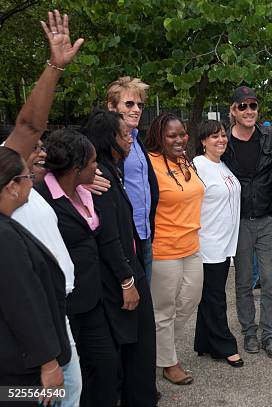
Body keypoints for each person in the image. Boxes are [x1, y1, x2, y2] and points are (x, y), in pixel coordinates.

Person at [3, 9, 83, 406]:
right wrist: (47, 358)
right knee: (34, 397)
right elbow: (16, 294)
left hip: (53, 316)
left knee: (67, 394)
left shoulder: (5, 166)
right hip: (29, 340)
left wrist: (54, 66)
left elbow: (29, 128)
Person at [36, 129, 118, 406]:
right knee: (72, 379)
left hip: (93, 299)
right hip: (63, 307)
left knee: (107, 366)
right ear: (76, 167)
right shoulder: (40, 199)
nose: (98, 167)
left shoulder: (86, 190)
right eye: (93, 162)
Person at [81, 110, 158, 405]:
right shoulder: (99, 177)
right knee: (135, 349)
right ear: (109, 139)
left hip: (130, 265)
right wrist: (127, 280)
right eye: (125, 134)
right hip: (121, 275)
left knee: (139, 345)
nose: (130, 139)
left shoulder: (113, 170)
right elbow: (109, 235)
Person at [0, 147, 69, 407]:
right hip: (19, 371)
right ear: (12, 187)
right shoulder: (5, 237)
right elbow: (22, 304)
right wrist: (49, 363)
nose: (32, 182)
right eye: (27, 177)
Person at [221, 86, 272, 359]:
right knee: (244, 280)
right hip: (239, 222)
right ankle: (249, 331)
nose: (249, 111)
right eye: (243, 106)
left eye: (253, 106)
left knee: (269, 279)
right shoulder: (223, 142)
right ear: (233, 110)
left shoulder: (270, 137)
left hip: (267, 219)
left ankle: (269, 334)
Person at [145, 112, 205, 384]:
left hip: (192, 244)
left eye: (182, 134)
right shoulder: (148, 163)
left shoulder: (185, 161)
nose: (179, 139)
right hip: (164, 248)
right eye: (172, 135)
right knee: (164, 309)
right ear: (159, 137)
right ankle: (168, 362)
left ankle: (157, 348)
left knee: (190, 300)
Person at [192, 120, 243, 367]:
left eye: (223, 135)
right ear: (203, 141)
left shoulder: (222, 165)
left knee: (210, 295)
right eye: (214, 137)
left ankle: (204, 342)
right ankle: (224, 345)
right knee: (215, 297)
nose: (221, 140)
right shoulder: (198, 166)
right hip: (208, 242)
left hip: (225, 242)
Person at [107, 77, 159, 283]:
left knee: (144, 297)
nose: (136, 109)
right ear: (111, 106)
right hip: (122, 235)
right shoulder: (103, 142)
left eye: (140, 104)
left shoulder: (136, 139)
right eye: (129, 104)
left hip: (144, 231)